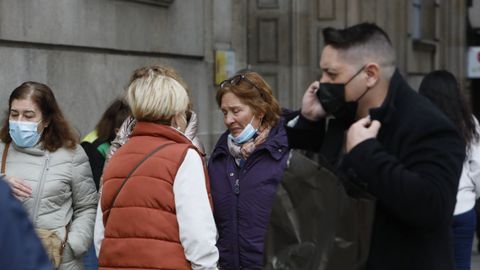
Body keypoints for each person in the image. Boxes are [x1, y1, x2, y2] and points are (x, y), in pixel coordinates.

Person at [285, 23, 465, 270]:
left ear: (370, 74)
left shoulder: (428, 124)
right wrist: (309, 121)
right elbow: (315, 182)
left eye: (332, 74)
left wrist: (367, 154)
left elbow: (434, 207)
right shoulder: (343, 116)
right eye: (322, 73)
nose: (322, 82)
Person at [95, 65, 218, 269]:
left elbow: (101, 235)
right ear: (175, 114)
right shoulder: (184, 156)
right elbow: (198, 237)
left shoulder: (117, 156)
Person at [0, 82, 98, 269]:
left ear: (46, 120)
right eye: (14, 114)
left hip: (59, 261)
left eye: (28, 116)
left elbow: (87, 207)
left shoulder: (72, 154)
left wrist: (72, 246)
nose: (20, 121)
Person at [208, 71, 289, 269]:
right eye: (225, 112)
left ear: (260, 111)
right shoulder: (219, 157)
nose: (228, 120)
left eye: (236, 111)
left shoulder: (285, 153)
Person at [418, 70, 480, 270]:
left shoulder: (419, 121)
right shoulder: (469, 123)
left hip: (430, 207)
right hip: (463, 208)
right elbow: (477, 167)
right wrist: (472, 193)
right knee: (461, 265)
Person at [80, 98, 130, 270]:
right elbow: (97, 191)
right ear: (118, 130)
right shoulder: (95, 148)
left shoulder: (102, 141)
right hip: (94, 222)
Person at [0, 177, 53, 270]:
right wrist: (3, 181)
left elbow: (85, 207)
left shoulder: (73, 163)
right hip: (17, 245)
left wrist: (75, 242)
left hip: (59, 251)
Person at [81, 98, 131, 190]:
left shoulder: (109, 139)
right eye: (131, 130)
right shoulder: (94, 147)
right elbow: (96, 187)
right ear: (117, 131)